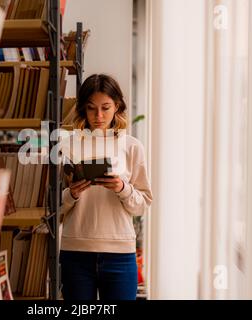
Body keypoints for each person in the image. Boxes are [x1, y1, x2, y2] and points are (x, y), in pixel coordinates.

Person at [59, 74, 153, 300]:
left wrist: (122, 188)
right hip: (76, 252)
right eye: (91, 108)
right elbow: (53, 208)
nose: (98, 116)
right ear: (83, 109)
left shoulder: (132, 147)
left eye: (105, 108)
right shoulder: (68, 146)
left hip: (120, 255)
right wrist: (72, 194)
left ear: (117, 106)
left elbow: (143, 205)